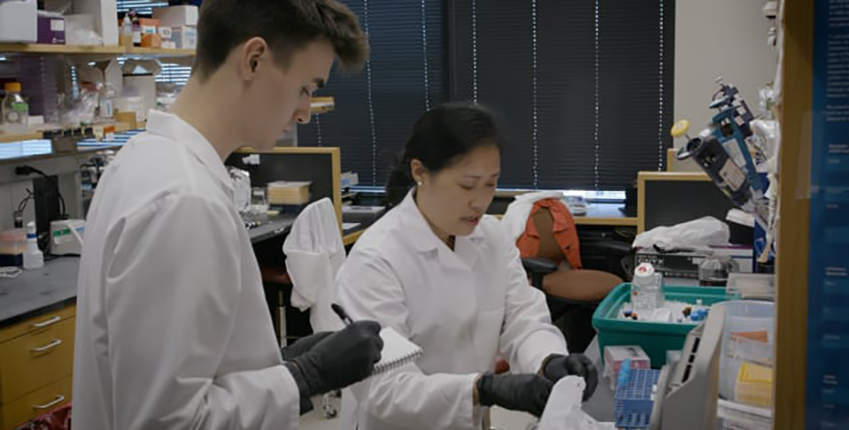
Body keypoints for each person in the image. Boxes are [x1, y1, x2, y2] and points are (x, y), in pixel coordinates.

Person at [72, 1, 383, 429]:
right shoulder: (183, 201)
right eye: (306, 88)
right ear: (254, 59)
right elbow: (165, 422)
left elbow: (183, 369)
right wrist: (303, 378)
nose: (305, 112)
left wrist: (281, 363)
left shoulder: (143, 161)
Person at [334, 103, 599, 430]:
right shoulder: (376, 259)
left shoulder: (492, 236)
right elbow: (385, 389)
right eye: (467, 185)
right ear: (420, 172)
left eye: (491, 183)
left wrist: (549, 360)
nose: (481, 201)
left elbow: (522, 318)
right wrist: (482, 389)